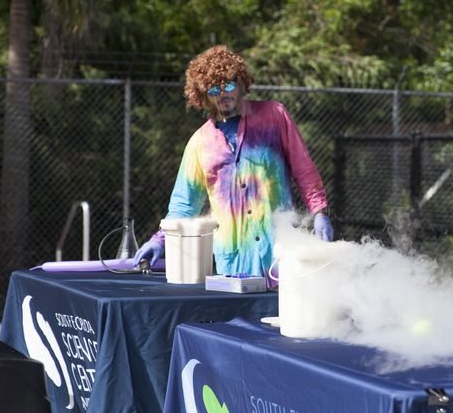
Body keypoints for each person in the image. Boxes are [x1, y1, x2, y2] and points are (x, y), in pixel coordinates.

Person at [134, 45, 333, 282]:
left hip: (282, 253)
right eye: (213, 89)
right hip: (234, 263)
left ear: (241, 84)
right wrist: (160, 239)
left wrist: (320, 212)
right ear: (202, 95)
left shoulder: (274, 115)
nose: (223, 93)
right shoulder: (199, 143)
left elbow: (303, 169)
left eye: (228, 84)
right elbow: (185, 204)